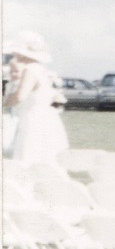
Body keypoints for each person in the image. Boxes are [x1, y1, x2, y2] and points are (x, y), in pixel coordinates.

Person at [2, 31, 68, 163]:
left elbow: (20, 96)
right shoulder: (40, 69)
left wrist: (6, 101)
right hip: (45, 118)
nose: (14, 55)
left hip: (33, 120)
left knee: (29, 156)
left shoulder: (30, 70)